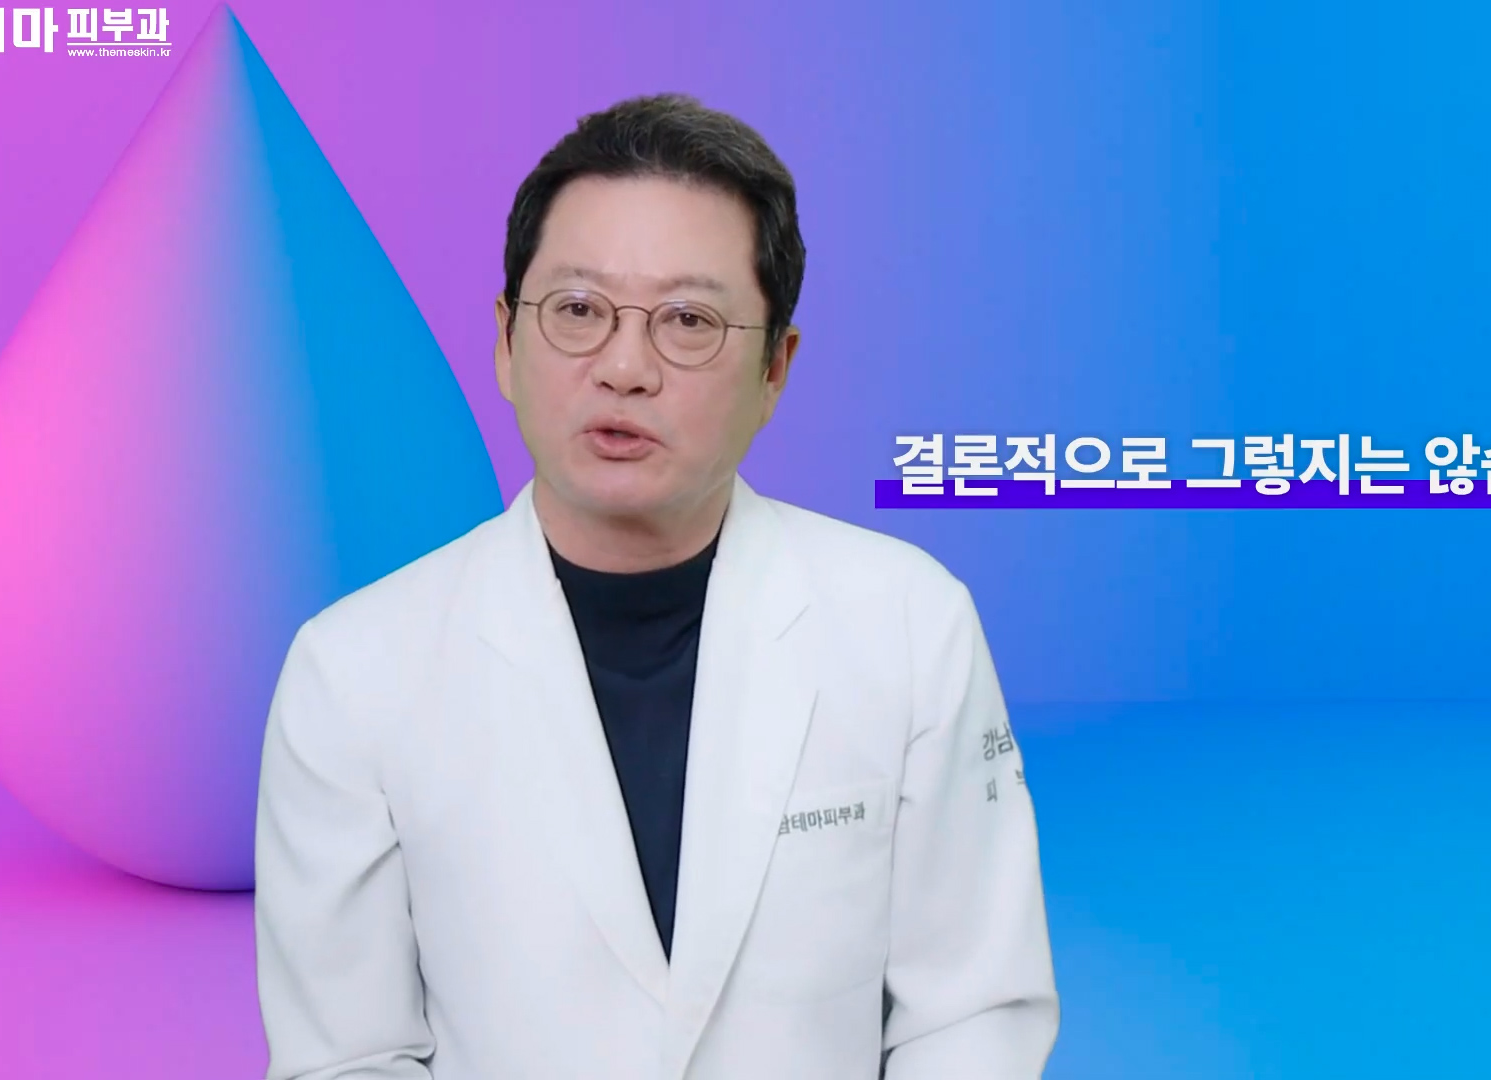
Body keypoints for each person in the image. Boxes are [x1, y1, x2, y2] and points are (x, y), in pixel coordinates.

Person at [254, 92, 1058, 1080]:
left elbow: (971, 1014)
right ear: (506, 340)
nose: (625, 367)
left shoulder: (907, 622)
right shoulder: (352, 672)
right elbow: (348, 1056)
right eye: (578, 311)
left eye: (689, 321)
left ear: (776, 368)